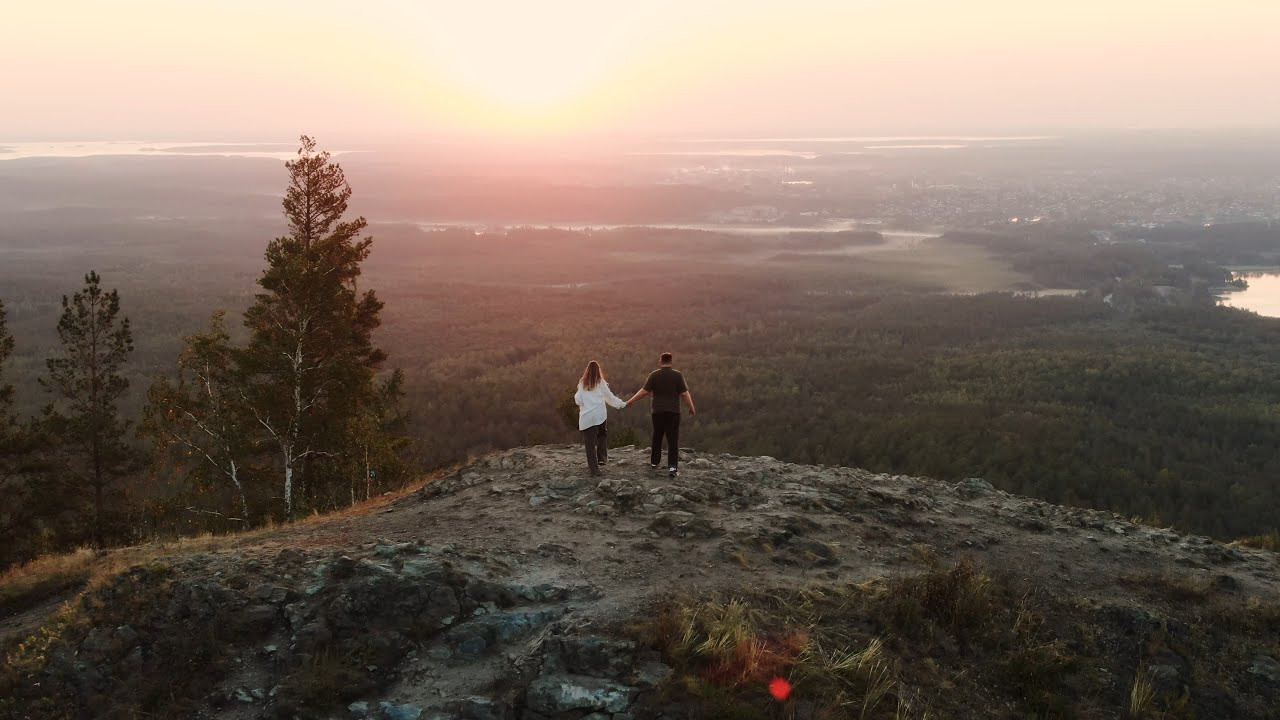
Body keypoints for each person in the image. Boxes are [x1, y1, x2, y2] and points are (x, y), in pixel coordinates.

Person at [626, 352, 696, 476]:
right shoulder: (677, 375)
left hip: (657, 412)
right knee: (673, 439)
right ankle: (673, 468)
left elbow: (644, 392)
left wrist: (631, 400)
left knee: (657, 436)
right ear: (671, 361)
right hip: (673, 412)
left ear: (660, 361)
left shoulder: (654, 375)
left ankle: (654, 462)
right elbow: (684, 394)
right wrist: (691, 407)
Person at [574, 360, 628, 476]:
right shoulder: (601, 383)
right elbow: (610, 398)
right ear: (598, 371)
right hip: (599, 415)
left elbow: (578, 399)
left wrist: (584, 403)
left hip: (587, 418)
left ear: (587, 371)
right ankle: (602, 458)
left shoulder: (582, 383)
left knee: (590, 445)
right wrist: (622, 404)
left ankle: (594, 470)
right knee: (602, 434)